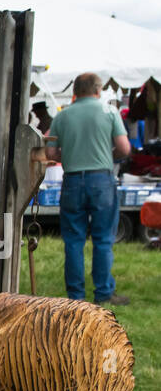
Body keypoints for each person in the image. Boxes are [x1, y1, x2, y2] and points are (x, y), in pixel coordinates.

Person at [45, 72, 133, 305]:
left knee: (73, 240)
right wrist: (106, 154)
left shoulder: (62, 116)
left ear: (75, 91)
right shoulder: (109, 111)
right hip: (102, 180)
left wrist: (71, 154)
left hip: (72, 179)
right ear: (98, 90)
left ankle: (76, 295)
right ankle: (103, 292)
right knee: (103, 238)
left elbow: (51, 154)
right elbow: (124, 148)